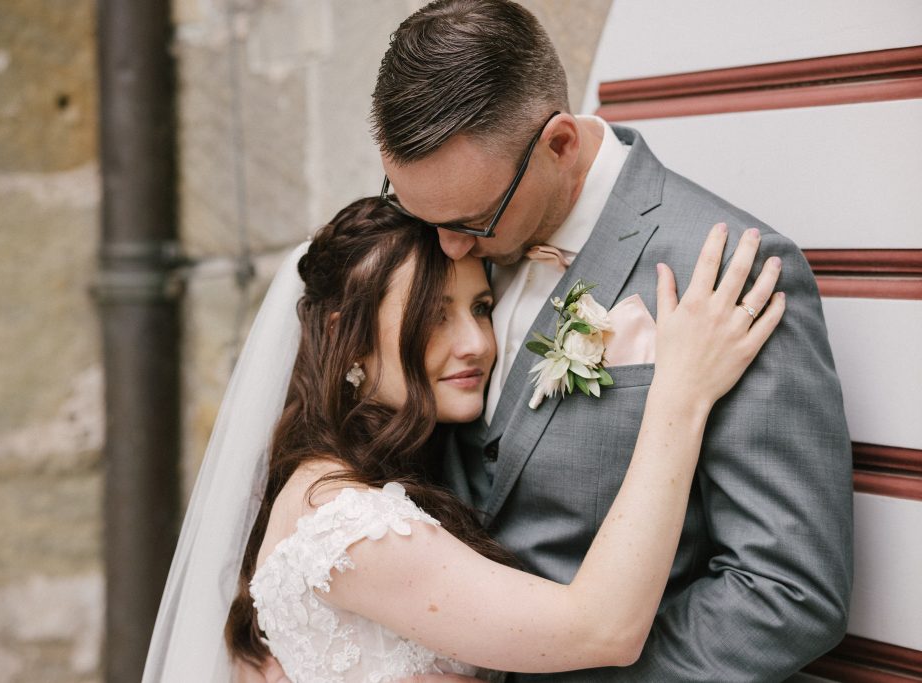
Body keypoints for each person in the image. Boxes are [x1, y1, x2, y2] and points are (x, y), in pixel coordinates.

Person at [369, 1, 853, 681]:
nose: (446, 247)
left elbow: (786, 591)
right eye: (421, 214)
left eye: (473, 221)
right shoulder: (443, 241)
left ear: (560, 144)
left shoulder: (723, 272)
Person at [216, 195, 785, 682]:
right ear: (349, 337)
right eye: (435, 316)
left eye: (481, 308)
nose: (476, 344)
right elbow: (602, 629)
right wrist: (681, 393)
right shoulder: (348, 525)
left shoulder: (332, 480)